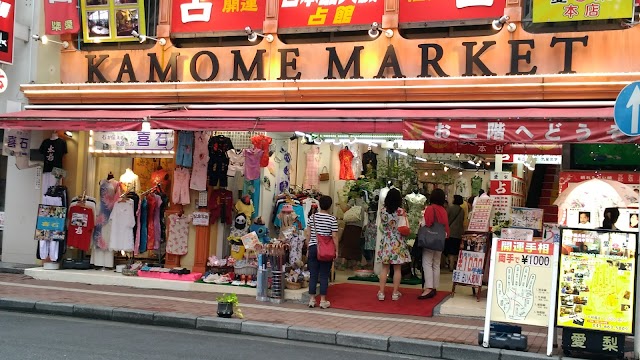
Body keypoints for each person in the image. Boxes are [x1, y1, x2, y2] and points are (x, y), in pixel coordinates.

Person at [376, 188, 412, 301]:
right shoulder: (401, 212)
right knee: (397, 269)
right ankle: (395, 293)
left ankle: (381, 292)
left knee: (384, 269)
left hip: (386, 241)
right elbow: (404, 227)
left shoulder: (382, 211)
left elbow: (382, 225)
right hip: (398, 241)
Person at [305, 195, 339, 309]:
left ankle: (312, 299)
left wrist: (308, 248)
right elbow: (334, 236)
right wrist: (336, 250)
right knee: (324, 275)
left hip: (313, 247)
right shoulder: (332, 219)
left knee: (313, 274)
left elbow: (308, 234)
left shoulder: (312, 217)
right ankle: (323, 300)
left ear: (319, 204)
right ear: (330, 206)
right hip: (326, 250)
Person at [419, 188, 450, 300]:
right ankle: (434, 286)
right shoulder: (443, 210)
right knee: (436, 263)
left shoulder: (430, 208)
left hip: (430, 239)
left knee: (427, 262)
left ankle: (428, 288)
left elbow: (427, 222)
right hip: (441, 238)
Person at [444, 195, 465, 271]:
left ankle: (451, 265)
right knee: (456, 249)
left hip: (451, 232)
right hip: (459, 232)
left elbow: (446, 219)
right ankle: (454, 264)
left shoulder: (450, 208)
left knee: (450, 250)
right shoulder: (462, 210)